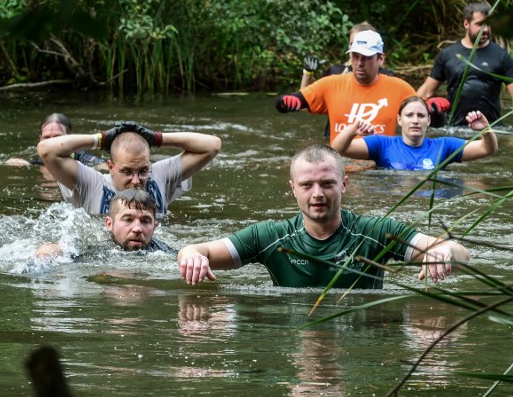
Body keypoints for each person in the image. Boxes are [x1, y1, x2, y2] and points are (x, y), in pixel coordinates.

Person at [177, 144, 469, 289]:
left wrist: (444, 252)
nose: (317, 193)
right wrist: (190, 254)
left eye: (327, 183)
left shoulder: (378, 231)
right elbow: (198, 250)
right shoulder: (268, 236)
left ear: (343, 184)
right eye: (307, 185)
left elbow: (461, 253)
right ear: (293, 189)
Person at [37, 121, 221, 217]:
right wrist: (100, 139)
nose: (136, 181)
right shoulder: (92, 183)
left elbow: (212, 145)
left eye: (143, 171)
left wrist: (157, 138)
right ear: (110, 167)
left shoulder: (159, 177)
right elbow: (46, 150)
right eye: (126, 171)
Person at [276, 30, 415, 142]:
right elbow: (297, 99)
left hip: (379, 168)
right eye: (355, 56)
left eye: (366, 57)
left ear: (381, 59)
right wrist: (286, 101)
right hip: (339, 166)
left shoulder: (400, 88)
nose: (359, 63)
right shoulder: (331, 84)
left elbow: (425, 116)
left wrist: (434, 108)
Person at [417, 2, 513, 129]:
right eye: (480, 24)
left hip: (492, 129)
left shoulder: (501, 56)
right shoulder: (447, 54)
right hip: (455, 129)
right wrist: (407, 114)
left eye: (488, 24)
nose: (486, 29)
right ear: (466, 24)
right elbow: (426, 91)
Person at [331, 95, 498, 170]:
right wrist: (352, 130)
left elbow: (487, 149)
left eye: (421, 115)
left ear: (429, 121)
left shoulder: (444, 146)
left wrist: (486, 129)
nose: (415, 120)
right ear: (399, 120)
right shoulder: (382, 144)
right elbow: (338, 149)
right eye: (409, 115)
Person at [36, 189, 173, 257]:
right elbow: (63, 249)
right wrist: (49, 253)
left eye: (145, 221)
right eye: (128, 219)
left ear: (155, 226)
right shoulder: (95, 244)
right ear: (109, 224)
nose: (137, 229)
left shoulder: (162, 251)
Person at [2, 113, 104, 167]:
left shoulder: (84, 158)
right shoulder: (38, 160)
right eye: (46, 137)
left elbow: (103, 166)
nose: (51, 143)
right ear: (40, 139)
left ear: (71, 138)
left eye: (57, 137)